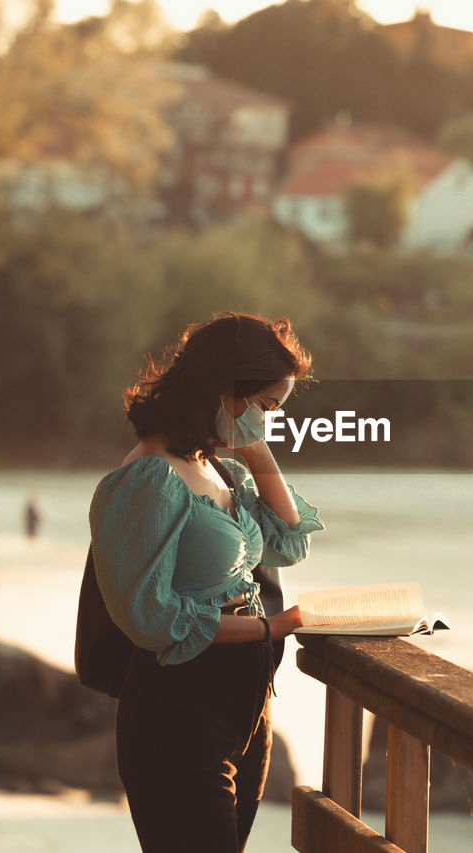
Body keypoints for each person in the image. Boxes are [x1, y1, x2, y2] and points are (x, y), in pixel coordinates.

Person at [88, 312, 324, 853]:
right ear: (224, 389)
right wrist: (272, 627)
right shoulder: (150, 477)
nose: (268, 422)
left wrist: (254, 448)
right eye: (265, 407)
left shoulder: (220, 469)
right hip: (179, 716)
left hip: (245, 711)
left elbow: (290, 542)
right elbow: (154, 619)